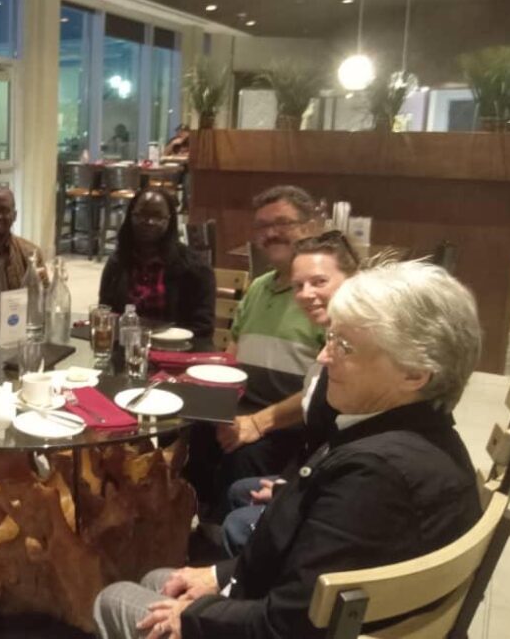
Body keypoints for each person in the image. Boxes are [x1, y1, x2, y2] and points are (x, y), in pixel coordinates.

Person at [94, 260, 483, 639]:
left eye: (344, 345)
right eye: (330, 337)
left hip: (290, 624)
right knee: (158, 579)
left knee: (113, 598)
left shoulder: (374, 477)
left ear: (414, 373)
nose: (323, 357)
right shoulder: (426, 437)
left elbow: (287, 625)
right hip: (302, 606)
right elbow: (310, 579)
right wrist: (219, 576)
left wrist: (194, 618)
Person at [184, 185, 325, 520]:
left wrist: (257, 423)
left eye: (283, 223)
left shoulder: (321, 298)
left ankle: (226, 543)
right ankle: (193, 517)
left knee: (243, 455)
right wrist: (215, 405)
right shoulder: (260, 287)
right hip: (246, 405)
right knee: (191, 432)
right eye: (262, 226)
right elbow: (233, 354)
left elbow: (323, 392)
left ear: (310, 227)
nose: (271, 233)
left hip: (293, 422)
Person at [217, 231, 359, 555]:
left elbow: (347, 442)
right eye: (298, 286)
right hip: (323, 466)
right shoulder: (336, 336)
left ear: (353, 280)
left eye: (319, 282)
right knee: (238, 485)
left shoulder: (361, 352)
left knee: (239, 516)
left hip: (342, 492)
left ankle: (238, 584)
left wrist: (298, 490)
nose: (306, 294)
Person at [98, 188, 215, 348]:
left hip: (175, 352)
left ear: (170, 220)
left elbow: (202, 330)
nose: (149, 222)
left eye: (158, 216)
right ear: (130, 217)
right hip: (124, 350)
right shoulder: (117, 263)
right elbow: (105, 312)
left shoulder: (194, 268)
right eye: (141, 215)